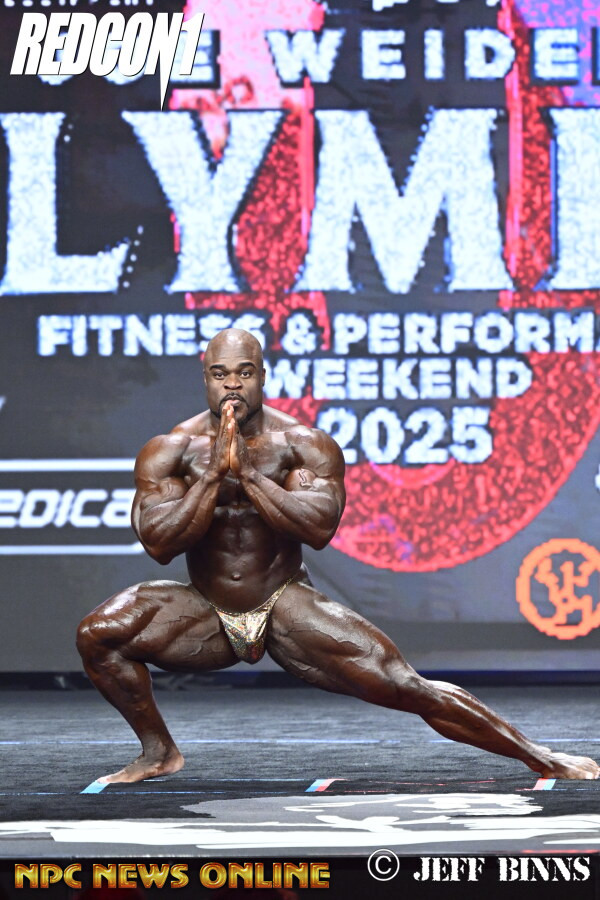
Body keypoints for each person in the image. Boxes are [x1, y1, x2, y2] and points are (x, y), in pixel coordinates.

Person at [77, 328, 599, 783]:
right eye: (220, 374)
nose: (232, 385)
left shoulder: (302, 444)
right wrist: (213, 475)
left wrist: (249, 475)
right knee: (99, 635)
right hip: (205, 608)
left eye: (244, 372)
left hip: (282, 602)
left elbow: (318, 528)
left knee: (405, 686)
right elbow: (159, 544)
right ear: (206, 379)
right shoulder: (170, 449)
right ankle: (159, 751)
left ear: (262, 375)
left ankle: (539, 756)